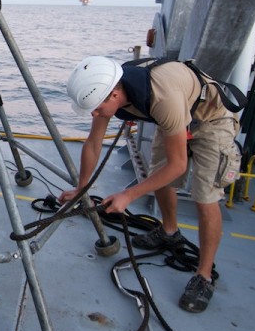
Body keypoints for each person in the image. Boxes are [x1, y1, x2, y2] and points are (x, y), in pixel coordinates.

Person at [59, 56, 241, 314]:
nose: (94, 113)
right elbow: (93, 142)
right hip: (177, 119)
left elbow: (177, 165)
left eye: (96, 108)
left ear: (114, 94)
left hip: (211, 120)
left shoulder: (162, 98)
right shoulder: (109, 88)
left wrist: (128, 195)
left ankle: (204, 275)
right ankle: (169, 232)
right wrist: (82, 188)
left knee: (205, 197)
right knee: (160, 177)